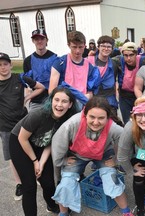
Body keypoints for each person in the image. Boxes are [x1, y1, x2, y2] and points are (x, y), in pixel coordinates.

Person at [51, 96, 133, 216]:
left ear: (108, 117)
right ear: (85, 114)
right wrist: (62, 161)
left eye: (101, 118)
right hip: (77, 155)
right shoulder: (72, 124)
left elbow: (125, 142)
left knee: (111, 180)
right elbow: (58, 144)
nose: (96, 122)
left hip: (103, 154)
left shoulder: (113, 128)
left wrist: (117, 160)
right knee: (65, 184)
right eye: (92, 117)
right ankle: (63, 213)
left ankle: (126, 211)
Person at [9, 87, 78, 216]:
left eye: (64, 101)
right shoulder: (38, 114)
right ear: (51, 100)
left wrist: (41, 162)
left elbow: (50, 142)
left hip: (41, 145)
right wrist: (35, 161)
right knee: (29, 186)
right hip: (20, 142)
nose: (59, 104)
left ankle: (51, 206)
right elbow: (22, 139)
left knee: (48, 181)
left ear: (70, 104)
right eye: (56, 100)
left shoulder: (67, 120)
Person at [0, 52, 45, 201]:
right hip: (5, 126)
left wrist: (27, 97)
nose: (3, 67)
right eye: (0, 65)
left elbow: (40, 87)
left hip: (23, 123)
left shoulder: (19, 78)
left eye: (5, 64)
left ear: (10, 65)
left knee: (31, 150)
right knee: (14, 157)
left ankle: (37, 175)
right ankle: (19, 183)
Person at [49, 31, 100, 104]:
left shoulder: (90, 66)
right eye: (74, 47)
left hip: (82, 104)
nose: (78, 51)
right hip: (64, 104)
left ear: (85, 46)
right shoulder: (59, 63)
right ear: (68, 45)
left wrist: (88, 96)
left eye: (80, 47)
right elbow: (52, 90)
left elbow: (91, 91)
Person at [23, 29, 58, 110]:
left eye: (42, 39)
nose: (39, 41)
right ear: (33, 41)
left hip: (52, 100)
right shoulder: (28, 61)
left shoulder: (55, 58)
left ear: (46, 40)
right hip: (36, 101)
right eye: (36, 39)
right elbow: (27, 85)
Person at [113, 42, 145, 124]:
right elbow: (105, 60)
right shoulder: (118, 61)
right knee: (128, 122)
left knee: (141, 120)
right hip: (124, 97)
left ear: (136, 54)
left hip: (138, 95)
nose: (128, 58)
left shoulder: (143, 61)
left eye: (131, 55)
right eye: (126, 55)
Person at [87, 35, 120, 115]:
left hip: (109, 100)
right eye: (103, 46)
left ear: (112, 49)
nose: (106, 48)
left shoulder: (114, 64)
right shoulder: (88, 61)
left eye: (109, 46)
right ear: (98, 47)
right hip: (93, 99)